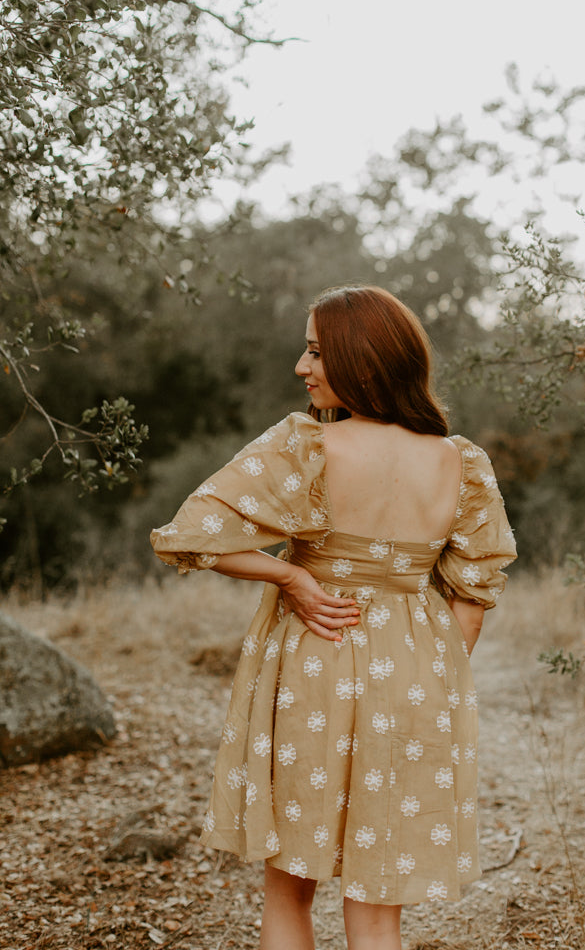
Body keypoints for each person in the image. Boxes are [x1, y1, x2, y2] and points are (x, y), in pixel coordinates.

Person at [150, 285, 516, 950]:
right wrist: (431, 679)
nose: (301, 366)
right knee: (377, 905)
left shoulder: (306, 446)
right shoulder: (458, 463)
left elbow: (195, 531)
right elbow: (474, 591)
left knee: (289, 889)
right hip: (416, 682)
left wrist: (291, 573)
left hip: (315, 664)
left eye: (316, 351)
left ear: (364, 362)